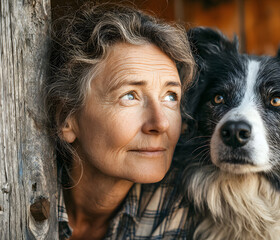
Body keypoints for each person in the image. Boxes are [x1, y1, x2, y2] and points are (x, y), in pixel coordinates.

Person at [44, 3, 195, 239]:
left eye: (170, 96)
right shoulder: (18, 197)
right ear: (66, 118)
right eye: (129, 96)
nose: (160, 123)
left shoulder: (187, 201)